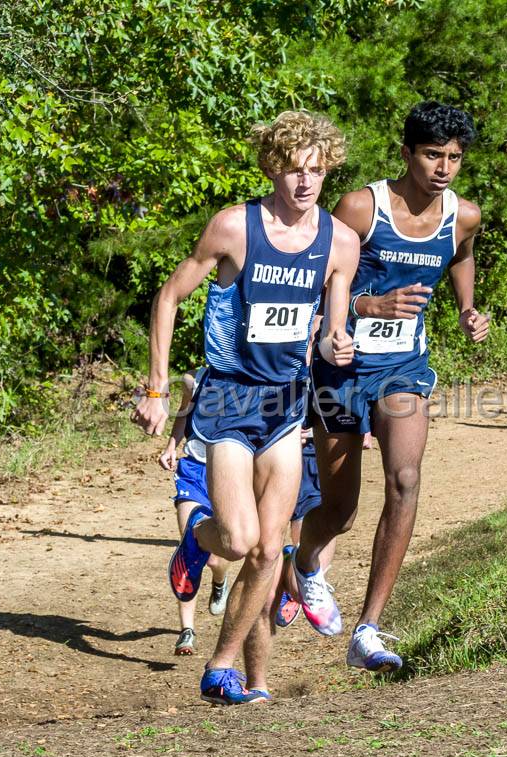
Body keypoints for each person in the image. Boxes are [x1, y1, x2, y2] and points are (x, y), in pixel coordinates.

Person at [132, 111, 358, 705]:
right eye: (291, 170)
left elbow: (333, 330)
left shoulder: (341, 241)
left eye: (315, 169)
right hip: (228, 399)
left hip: (285, 407)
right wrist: (157, 388)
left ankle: (225, 667)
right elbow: (169, 296)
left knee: (269, 548)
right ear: (272, 169)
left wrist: (339, 341)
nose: (304, 182)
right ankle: (195, 543)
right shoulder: (235, 227)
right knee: (235, 539)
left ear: (328, 168)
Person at [292, 101, 489, 674]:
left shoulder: (464, 215)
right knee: (340, 508)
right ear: (406, 153)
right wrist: (364, 305)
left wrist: (468, 308)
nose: (444, 167)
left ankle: (368, 628)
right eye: (432, 155)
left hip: (404, 365)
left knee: (405, 479)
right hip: (341, 366)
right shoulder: (359, 206)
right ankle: (304, 563)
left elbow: (463, 256)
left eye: (454, 157)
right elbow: (315, 278)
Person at [158, 370, 231, 657]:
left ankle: (220, 580)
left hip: (228, 475)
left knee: (216, 558)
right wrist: (171, 447)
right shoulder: (194, 379)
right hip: (192, 471)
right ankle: (186, 630)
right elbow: (183, 414)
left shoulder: (250, 377)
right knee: (190, 546)